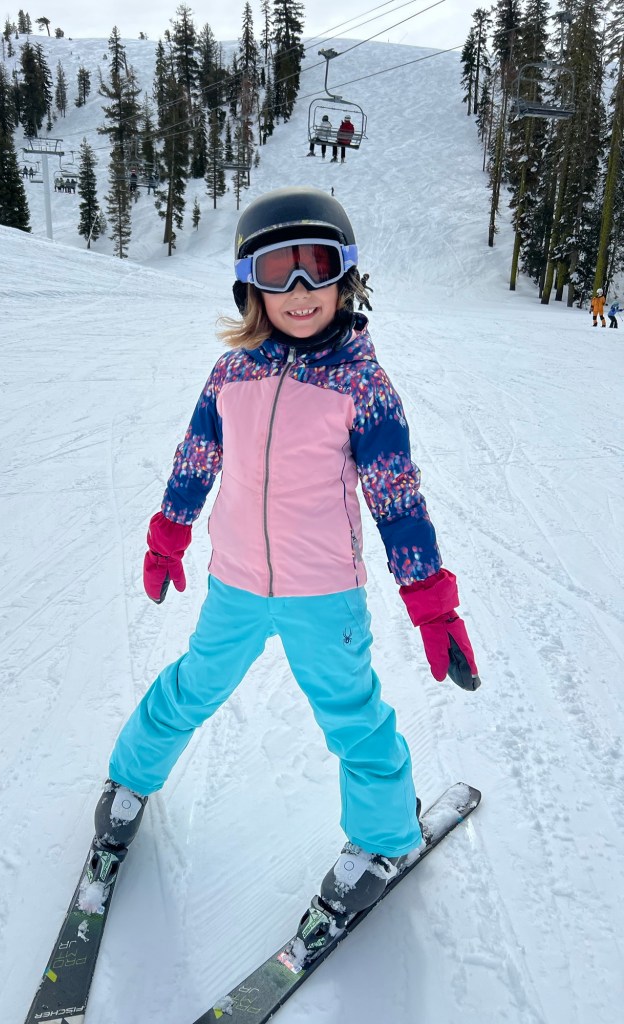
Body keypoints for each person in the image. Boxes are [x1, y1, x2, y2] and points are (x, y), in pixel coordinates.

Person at [92, 187, 480, 952]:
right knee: (191, 686)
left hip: (323, 596)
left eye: (318, 268)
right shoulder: (230, 373)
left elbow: (397, 499)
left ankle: (383, 839)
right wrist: (168, 535)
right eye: (279, 272)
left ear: (346, 277)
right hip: (235, 584)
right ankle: (129, 780)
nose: (300, 291)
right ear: (251, 286)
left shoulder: (363, 385)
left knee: (353, 719)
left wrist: (433, 605)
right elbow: (197, 457)